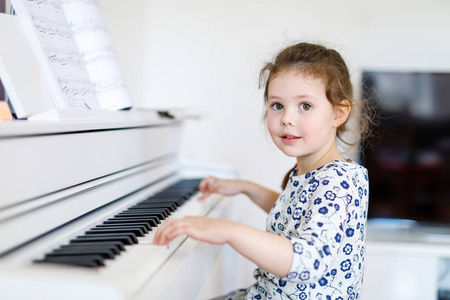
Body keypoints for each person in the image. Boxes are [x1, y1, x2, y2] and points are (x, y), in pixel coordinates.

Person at [153, 42, 372, 300]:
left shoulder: (338, 181)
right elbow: (292, 212)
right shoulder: (315, 171)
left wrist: (227, 230)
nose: (287, 118)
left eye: (305, 106)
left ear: (338, 113)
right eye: (277, 105)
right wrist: (245, 188)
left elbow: (308, 262)